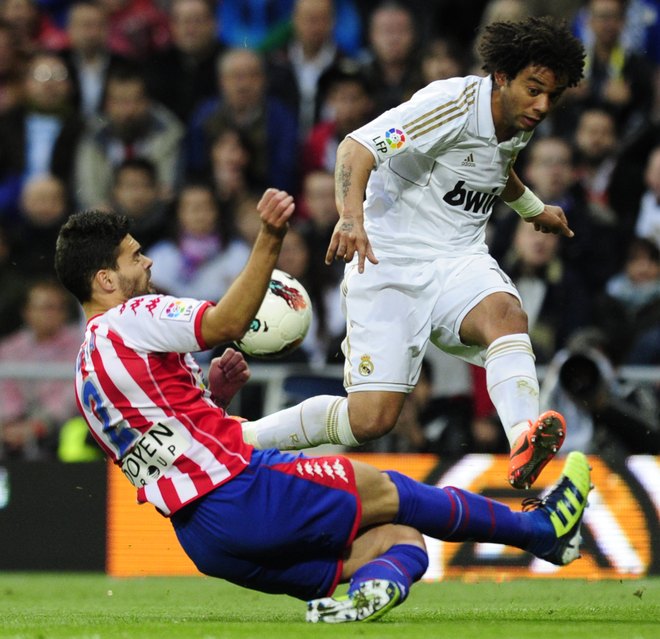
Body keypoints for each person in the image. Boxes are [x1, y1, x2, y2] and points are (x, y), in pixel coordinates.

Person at [54, 187, 592, 623]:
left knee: (397, 540)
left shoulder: (85, 375)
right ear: (105, 280)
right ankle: (541, 532)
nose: (146, 261)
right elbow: (225, 324)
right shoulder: (132, 317)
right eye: (133, 255)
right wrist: (268, 238)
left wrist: (213, 396)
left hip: (205, 539)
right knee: (393, 491)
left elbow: (161, 446)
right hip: (242, 492)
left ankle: (366, 595)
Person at [243, 17, 586, 491]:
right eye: (534, 90)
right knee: (371, 419)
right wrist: (350, 216)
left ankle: (524, 437)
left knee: (506, 315)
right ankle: (241, 440)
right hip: (390, 262)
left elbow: (492, 167)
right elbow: (356, 147)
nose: (542, 105)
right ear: (502, 76)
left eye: (553, 95)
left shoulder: (519, 117)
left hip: (458, 258)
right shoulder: (449, 105)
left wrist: (532, 208)